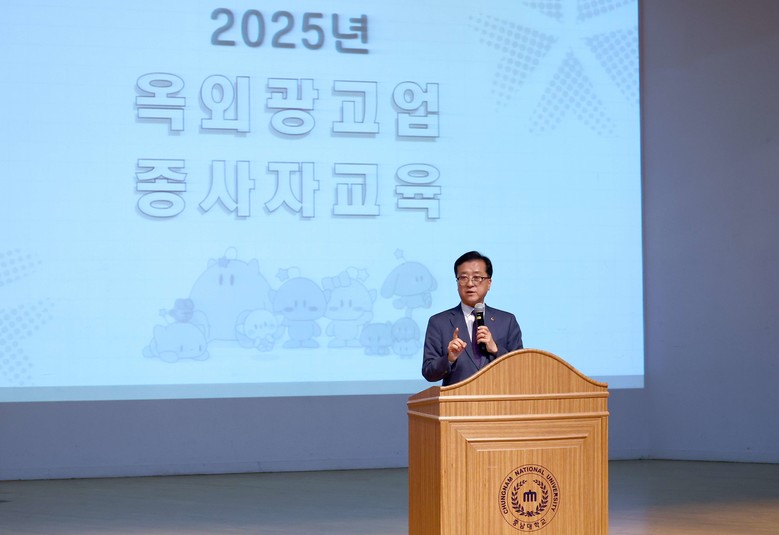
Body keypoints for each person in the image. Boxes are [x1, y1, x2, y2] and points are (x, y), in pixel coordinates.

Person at [422, 251, 523, 386]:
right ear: (457, 282)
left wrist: (495, 349)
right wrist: (449, 358)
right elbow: (428, 372)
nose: (470, 284)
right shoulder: (439, 322)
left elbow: (520, 369)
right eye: (463, 278)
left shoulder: (507, 321)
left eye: (477, 277)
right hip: (457, 398)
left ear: (489, 283)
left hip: (498, 397)